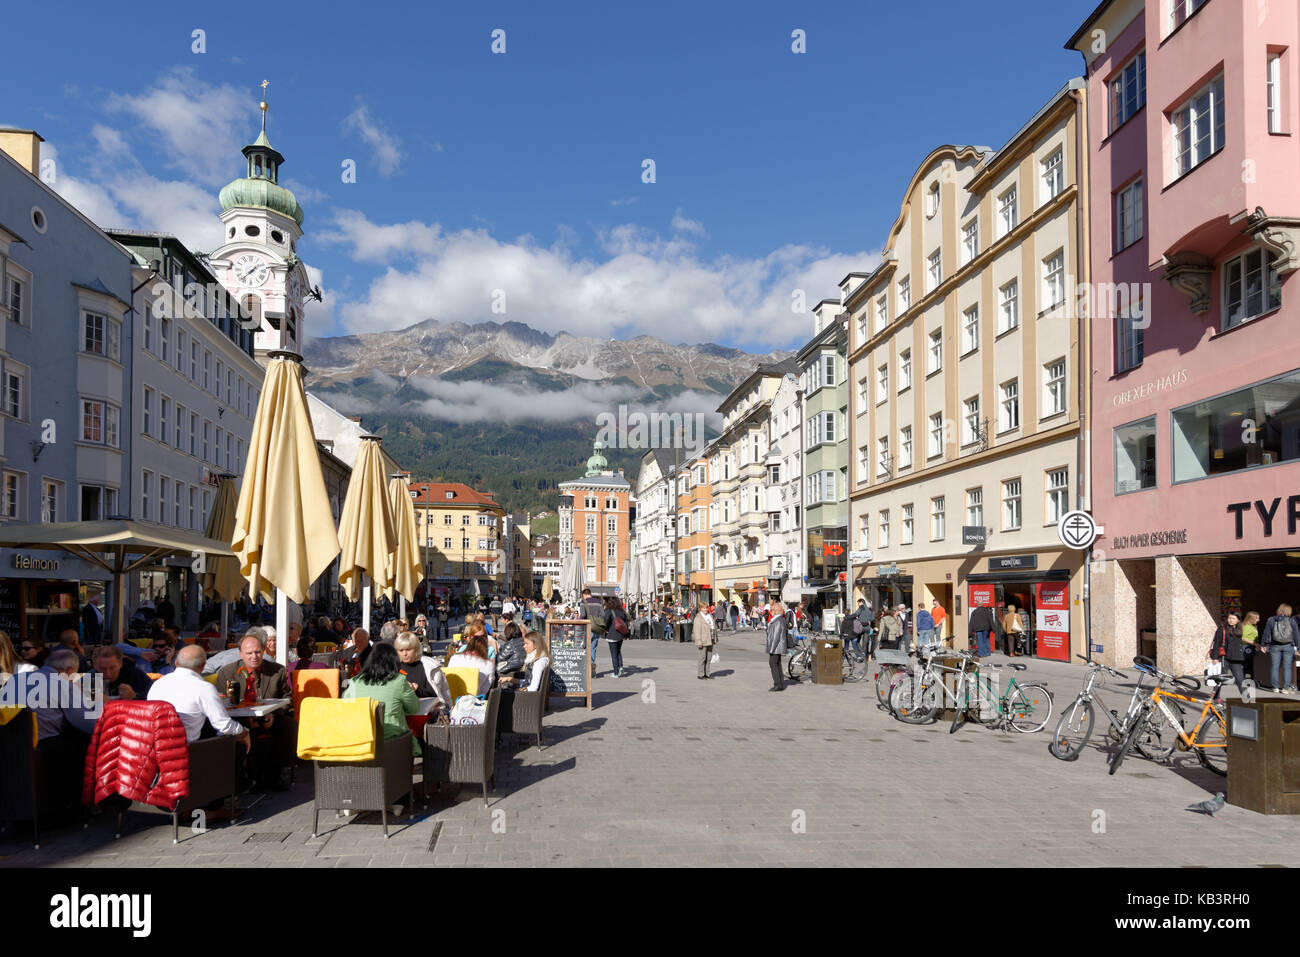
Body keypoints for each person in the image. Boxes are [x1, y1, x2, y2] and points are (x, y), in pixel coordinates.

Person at [9, 648, 100, 817]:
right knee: (90, 740)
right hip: (45, 745)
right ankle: (82, 803)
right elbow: (86, 723)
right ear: (70, 671)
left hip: (10, 746)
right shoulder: (62, 684)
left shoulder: (15, 679)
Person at [344, 641, 421, 756]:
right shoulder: (399, 681)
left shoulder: (355, 682)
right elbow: (414, 708)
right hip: (394, 741)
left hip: (361, 740)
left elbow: (346, 705)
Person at [394, 631, 449, 706]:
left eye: (408, 650)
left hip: (427, 710)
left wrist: (416, 689)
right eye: (401, 650)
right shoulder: (394, 667)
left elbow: (436, 694)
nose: (404, 654)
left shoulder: (429, 666)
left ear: (416, 649)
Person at [1260, 603, 1299, 693]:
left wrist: (1263, 645)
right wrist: (1299, 648)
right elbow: (1296, 635)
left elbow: (1266, 633)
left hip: (1274, 646)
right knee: (1287, 667)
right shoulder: (1292, 621)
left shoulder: (1271, 620)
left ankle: (1275, 687)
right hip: (1288, 646)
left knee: (1274, 666)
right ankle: (1285, 688)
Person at [1209, 612, 1248, 695]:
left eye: (1233, 618)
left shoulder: (1239, 629)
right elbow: (1216, 644)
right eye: (1229, 618)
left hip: (1236, 659)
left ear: (1238, 620)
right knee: (1219, 680)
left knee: (1240, 680)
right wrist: (1215, 658)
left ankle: (1247, 699)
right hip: (1224, 658)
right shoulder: (1222, 629)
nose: (1231, 620)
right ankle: (1215, 698)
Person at [448, 630, 495, 695]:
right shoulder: (488, 664)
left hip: (453, 698)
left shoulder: (454, 658)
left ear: (468, 646)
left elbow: (448, 679)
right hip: (474, 700)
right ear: (485, 649)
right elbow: (485, 689)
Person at [603, 596, 629, 678]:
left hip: (612, 634)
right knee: (618, 652)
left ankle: (615, 672)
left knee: (613, 654)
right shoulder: (622, 611)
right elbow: (625, 621)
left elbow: (605, 622)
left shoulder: (609, 611)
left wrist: (605, 630)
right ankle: (621, 668)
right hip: (620, 634)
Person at [767, 600, 789, 691]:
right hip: (778, 646)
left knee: (773, 664)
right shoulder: (780, 619)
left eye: (771, 610)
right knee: (777, 664)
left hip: (776, 647)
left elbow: (776, 636)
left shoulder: (777, 621)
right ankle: (780, 683)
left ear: (775, 611)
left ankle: (777, 684)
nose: (770, 612)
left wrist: (771, 649)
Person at [693, 604, 715, 680]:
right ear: (700, 609)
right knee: (702, 657)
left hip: (710, 639)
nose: (706, 609)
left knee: (709, 657)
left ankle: (707, 673)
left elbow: (713, 627)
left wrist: (715, 638)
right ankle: (700, 674)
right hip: (703, 639)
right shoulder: (698, 618)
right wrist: (699, 642)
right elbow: (697, 631)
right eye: (704, 608)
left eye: (706, 608)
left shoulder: (710, 616)